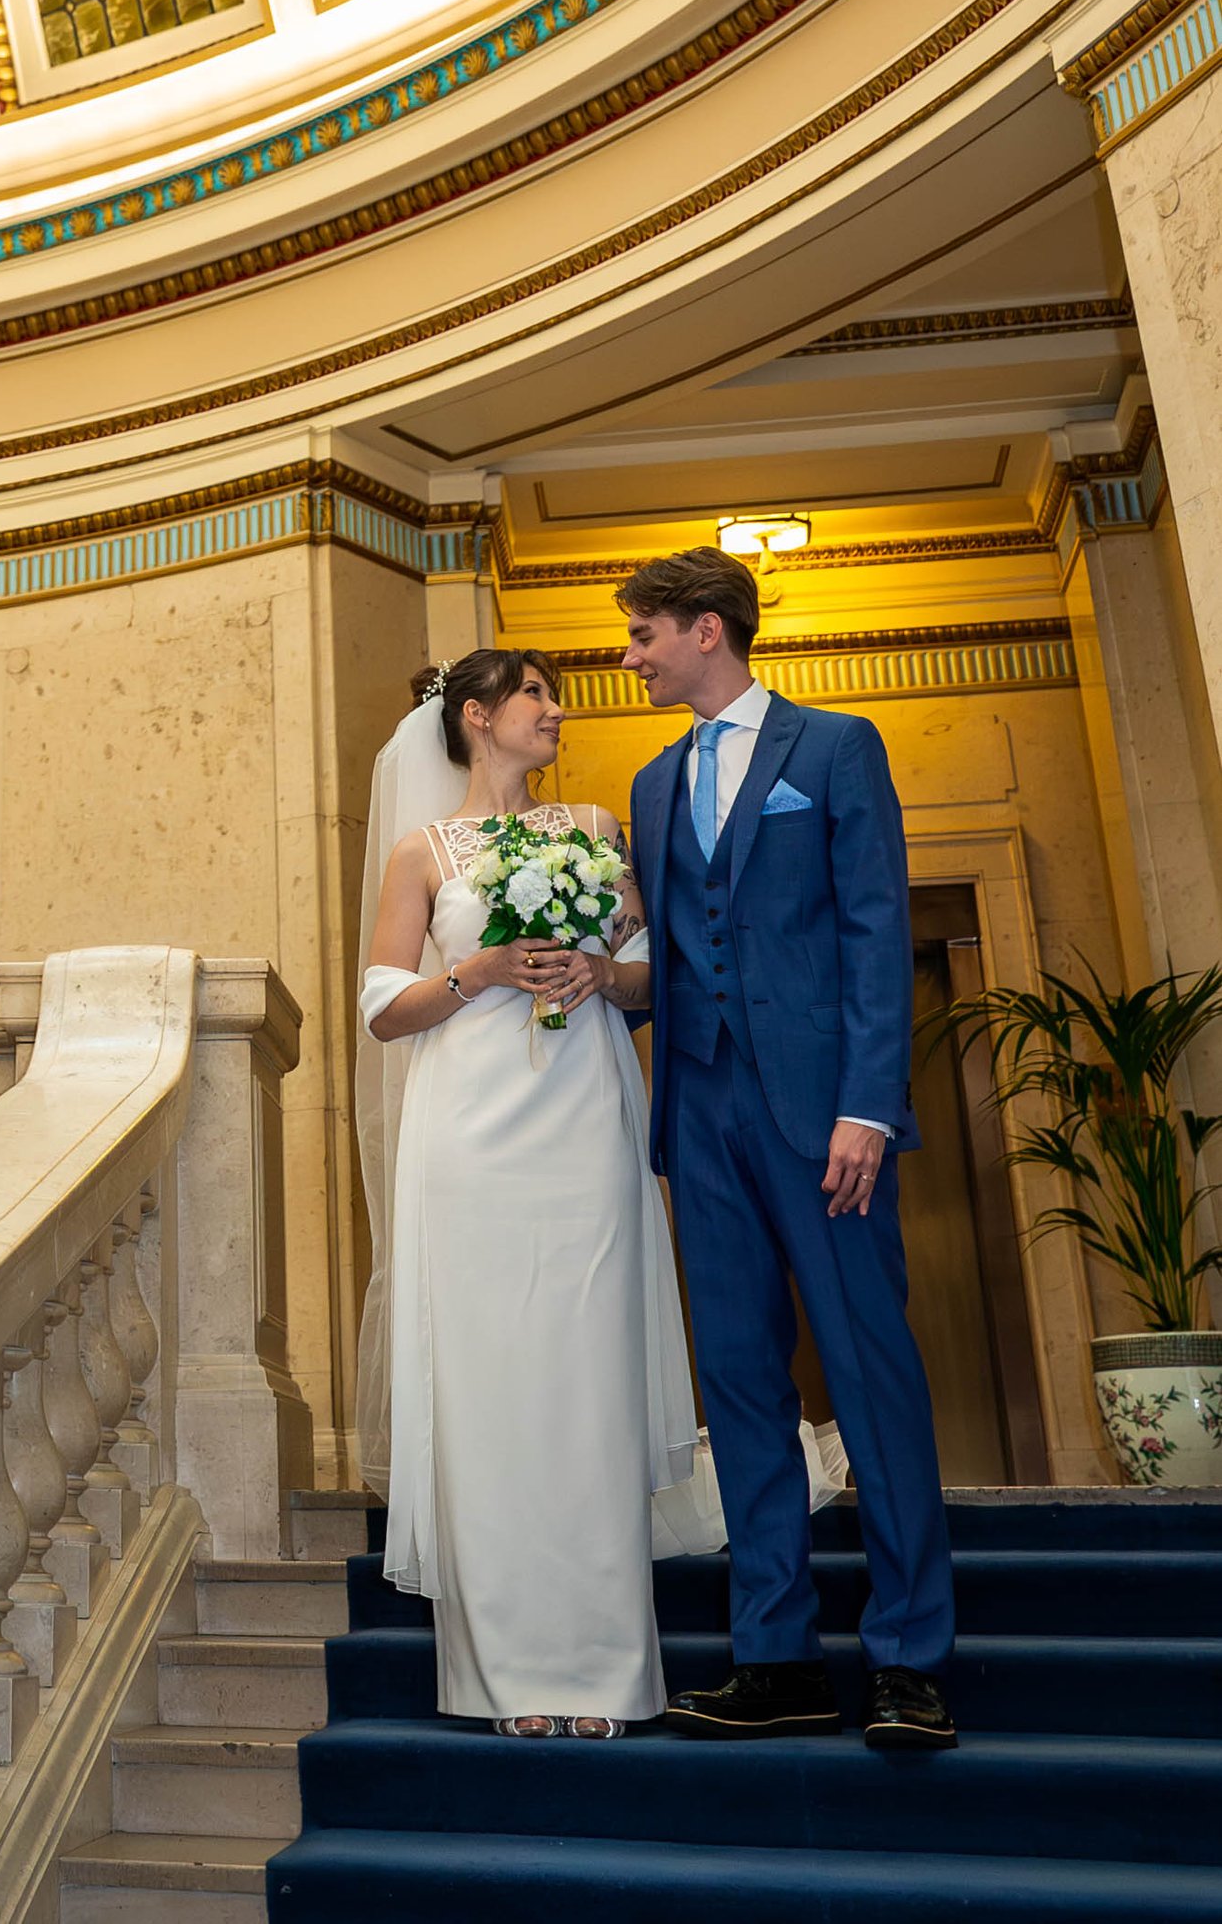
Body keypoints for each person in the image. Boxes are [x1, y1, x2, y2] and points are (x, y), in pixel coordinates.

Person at [622, 545, 956, 1755]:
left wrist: (870, 1103)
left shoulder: (834, 747)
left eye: (645, 634)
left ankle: (909, 1657)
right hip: (698, 1112)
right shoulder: (652, 784)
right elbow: (669, 951)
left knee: (870, 1371)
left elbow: (875, 927)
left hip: (825, 1117)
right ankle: (773, 1652)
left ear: (705, 628)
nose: (631, 654)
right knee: (741, 1385)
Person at [357, 647, 696, 1733]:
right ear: (477, 715)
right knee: (487, 1379)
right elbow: (380, 1003)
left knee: (582, 1371)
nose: (556, 711)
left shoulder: (595, 830)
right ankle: (503, 1674)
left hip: (582, 1121)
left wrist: (605, 973)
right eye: (536, 695)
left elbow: (655, 967)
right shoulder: (421, 851)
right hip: (468, 1134)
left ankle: (605, 1668)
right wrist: (480, 972)